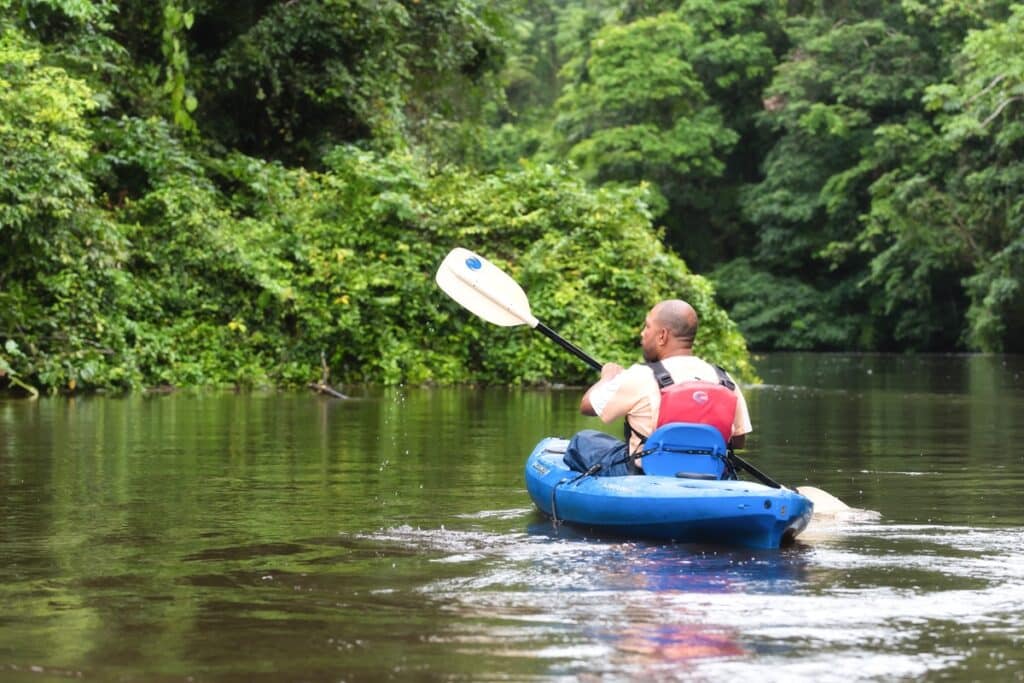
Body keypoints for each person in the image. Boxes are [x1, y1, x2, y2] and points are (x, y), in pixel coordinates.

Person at [564, 299, 752, 476]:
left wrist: (606, 378)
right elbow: (737, 441)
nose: (642, 333)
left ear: (662, 336)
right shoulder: (724, 379)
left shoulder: (641, 375)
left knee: (583, 440)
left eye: (647, 327)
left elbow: (587, 406)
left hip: (645, 475)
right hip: (709, 474)